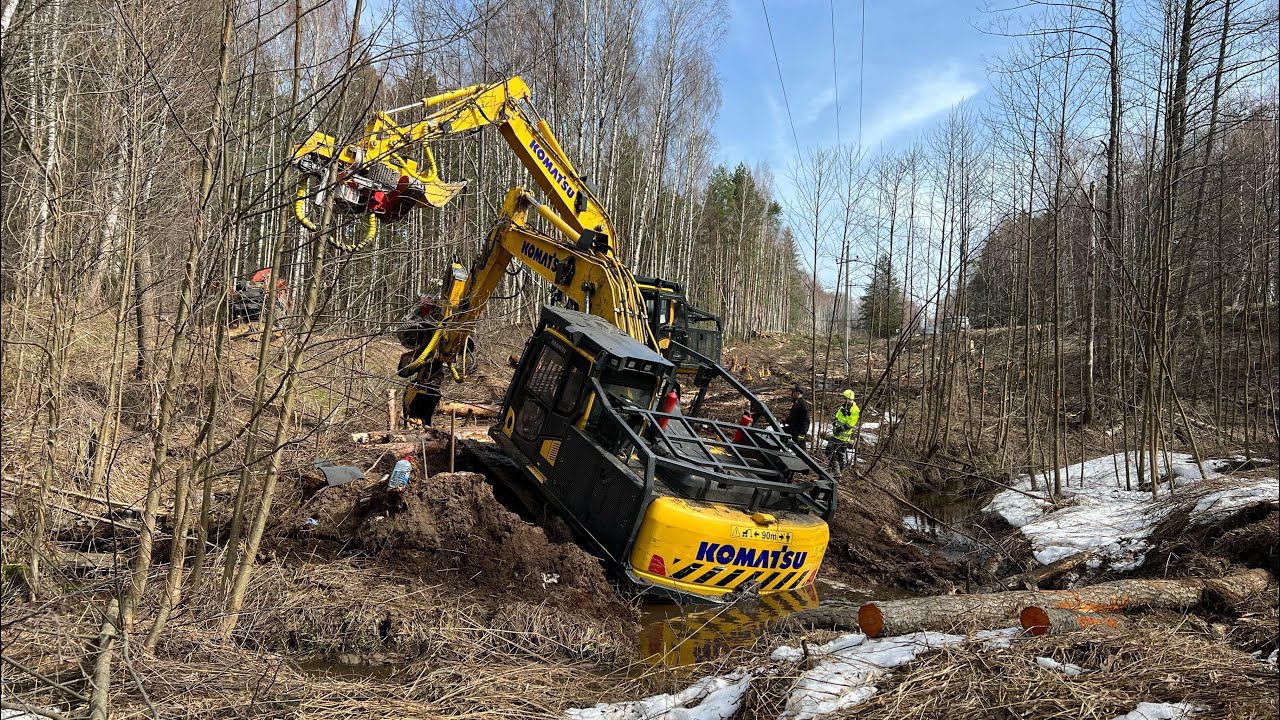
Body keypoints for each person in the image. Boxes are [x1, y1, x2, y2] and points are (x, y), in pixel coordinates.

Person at [825, 389, 860, 472]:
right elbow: (837, 417)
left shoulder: (855, 409)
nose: (844, 400)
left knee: (840, 454)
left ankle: (840, 471)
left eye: (845, 398)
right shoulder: (843, 406)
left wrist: (840, 429)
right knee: (828, 450)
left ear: (850, 399)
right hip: (835, 434)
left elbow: (851, 424)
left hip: (843, 437)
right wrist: (834, 423)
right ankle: (834, 468)